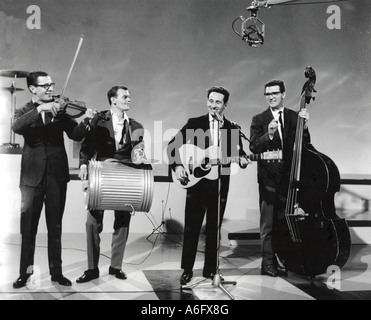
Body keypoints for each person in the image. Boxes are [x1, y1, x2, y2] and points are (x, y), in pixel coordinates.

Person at [12, 71, 93, 288]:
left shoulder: (60, 109)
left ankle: (56, 272)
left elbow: (75, 134)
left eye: (52, 84)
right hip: (31, 178)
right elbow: (17, 127)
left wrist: (86, 122)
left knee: (55, 226)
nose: (51, 88)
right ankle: (25, 273)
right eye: (46, 85)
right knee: (28, 228)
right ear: (33, 89)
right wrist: (40, 109)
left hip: (57, 176)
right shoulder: (25, 111)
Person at [167, 86, 250, 285]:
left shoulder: (231, 128)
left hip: (220, 185)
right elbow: (172, 145)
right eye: (210, 101)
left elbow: (241, 154)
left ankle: (211, 270)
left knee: (214, 229)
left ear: (225, 105)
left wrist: (244, 160)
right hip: (196, 185)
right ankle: (187, 270)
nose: (213, 105)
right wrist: (178, 166)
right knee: (192, 228)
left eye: (218, 102)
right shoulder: (195, 123)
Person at [76, 86, 145, 283]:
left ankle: (116, 267)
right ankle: (92, 269)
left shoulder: (137, 125)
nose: (129, 99)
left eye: (129, 96)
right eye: (125, 96)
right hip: (101, 172)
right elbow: (87, 145)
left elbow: (138, 153)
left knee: (123, 221)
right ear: (113, 100)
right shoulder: (98, 120)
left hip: (125, 175)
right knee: (92, 222)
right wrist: (83, 164)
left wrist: (141, 158)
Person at [249, 79, 310, 277]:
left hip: (289, 179)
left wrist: (305, 126)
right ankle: (267, 263)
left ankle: (283, 258)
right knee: (268, 225)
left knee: (284, 222)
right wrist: (269, 135)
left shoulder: (294, 117)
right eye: (267, 94)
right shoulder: (259, 119)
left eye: (275, 93)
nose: (271, 97)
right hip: (268, 178)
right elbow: (253, 147)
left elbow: (305, 144)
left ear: (283, 94)